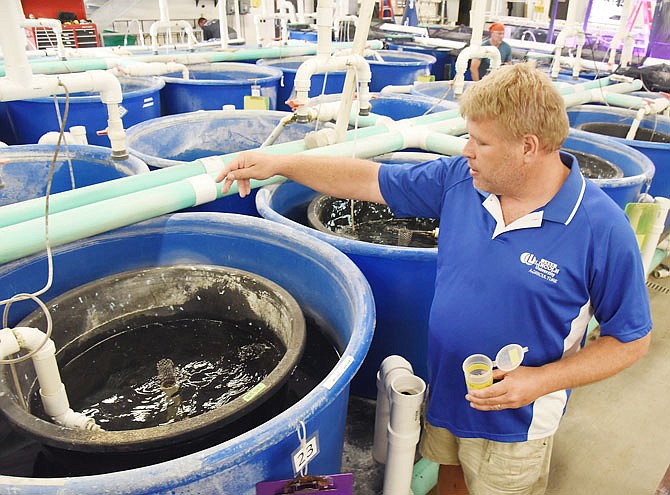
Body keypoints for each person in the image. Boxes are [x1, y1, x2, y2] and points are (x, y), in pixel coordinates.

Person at [216, 63, 652, 494]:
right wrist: (280, 163)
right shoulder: (462, 181)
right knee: (450, 476)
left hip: (516, 419)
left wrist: (540, 381)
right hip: (447, 391)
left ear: (528, 147)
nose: (466, 151)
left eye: (480, 142)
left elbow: (631, 340)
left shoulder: (601, 230)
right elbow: (368, 180)